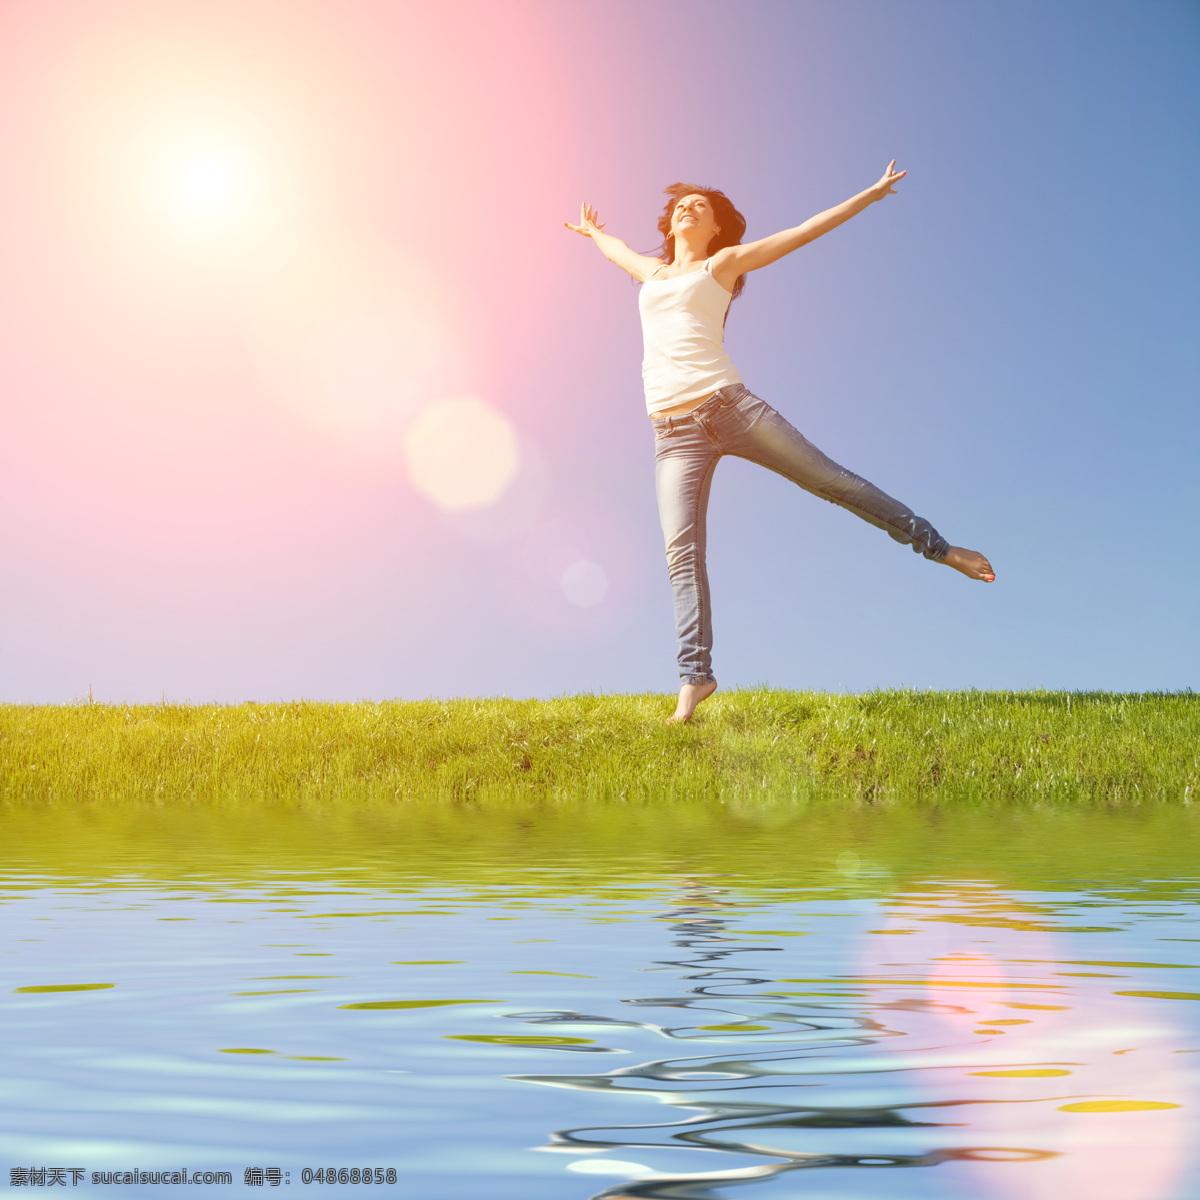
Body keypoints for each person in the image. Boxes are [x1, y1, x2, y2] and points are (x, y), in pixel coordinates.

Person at [565, 163, 994, 724]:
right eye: (681, 205)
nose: (688, 208)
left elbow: (804, 231)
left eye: (701, 205)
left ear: (717, 227)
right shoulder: (652, 274)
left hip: (730, 407)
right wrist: (595, 234)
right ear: (670, 224)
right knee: (681, 554)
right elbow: (616, 249)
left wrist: (868, 194)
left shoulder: (724, 263)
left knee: (831, 481)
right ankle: (696, 679)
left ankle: (942, 549)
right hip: (672, 435)